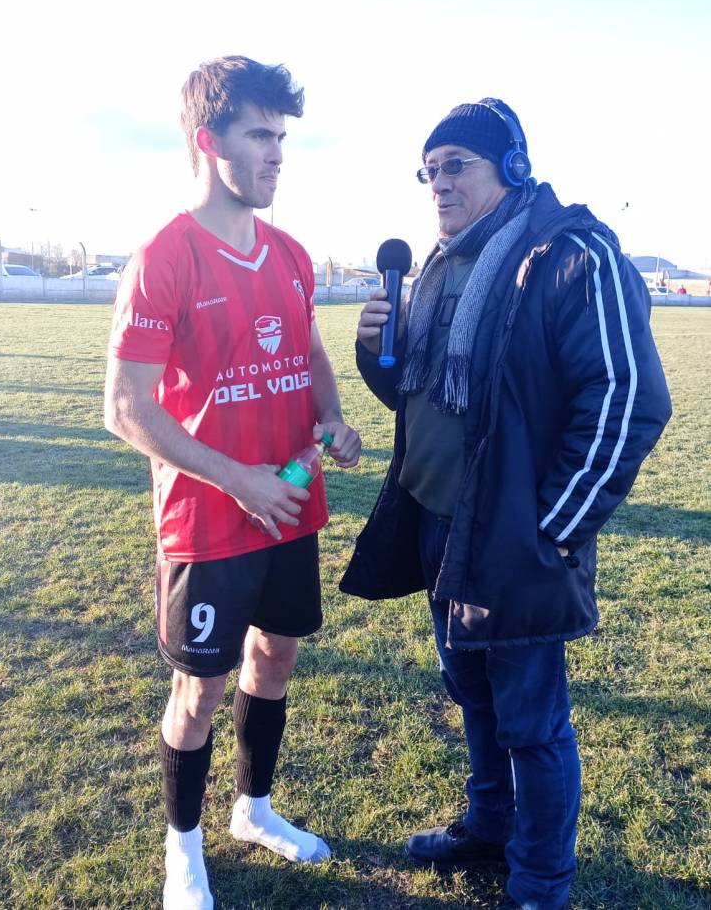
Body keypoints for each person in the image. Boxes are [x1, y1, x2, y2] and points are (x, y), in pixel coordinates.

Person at [342, 98, 671, 910]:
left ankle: (539, 885)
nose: (439, 183)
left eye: (458, 164)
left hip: (512, 536)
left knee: (532, 720)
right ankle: (489, 827)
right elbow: (422, 396)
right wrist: (373, 346)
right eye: (430, 169)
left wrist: (553, 527)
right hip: (436, 523)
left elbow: (629, 398)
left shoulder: (572, 254)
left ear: (511, 167)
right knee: (475, 697)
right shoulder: (443, 260)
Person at [104, 55, 361, 910]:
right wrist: (237, 480)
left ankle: (254, 810)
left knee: (277, 655)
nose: (277, 153)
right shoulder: (163, 257)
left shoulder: (291, 255)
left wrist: (330, 416)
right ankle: (184, 850)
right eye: (260, 134)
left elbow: (313, 354)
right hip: (209, 519)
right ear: (209, 141)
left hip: (290, 503)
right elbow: (126, 408)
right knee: (200, 687)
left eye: (282, 137)